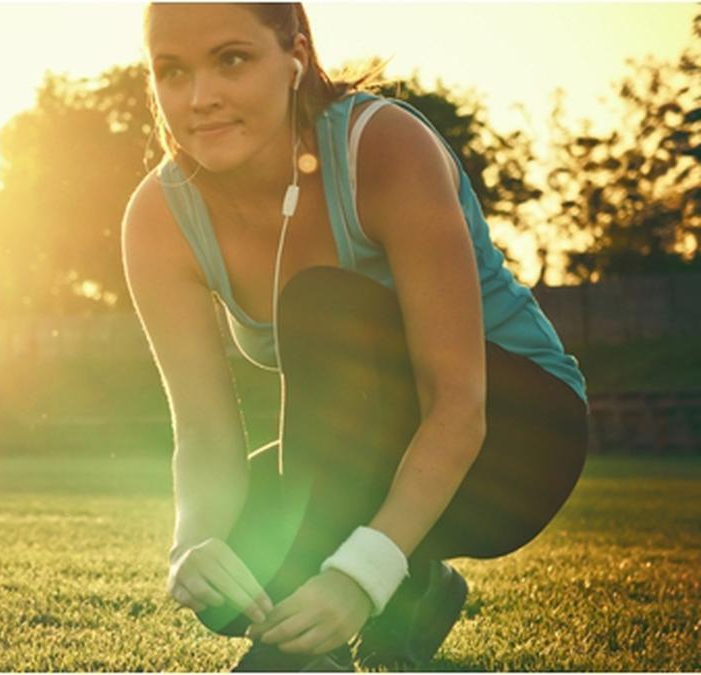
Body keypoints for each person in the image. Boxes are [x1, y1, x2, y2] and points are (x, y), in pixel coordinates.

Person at [120, 3, 590, 672]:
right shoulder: (159, 218)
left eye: (232, 59)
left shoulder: (383, 145)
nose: (201, 98)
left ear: (296, 55)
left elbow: (457, 402)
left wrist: (355, 574)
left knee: (320, 303)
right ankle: (417, 590)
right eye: (172, 71)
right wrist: (192, 543)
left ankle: (325, 640)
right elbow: (204, 432)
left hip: (518, 440)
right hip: (369, 450)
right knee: (232, 575)